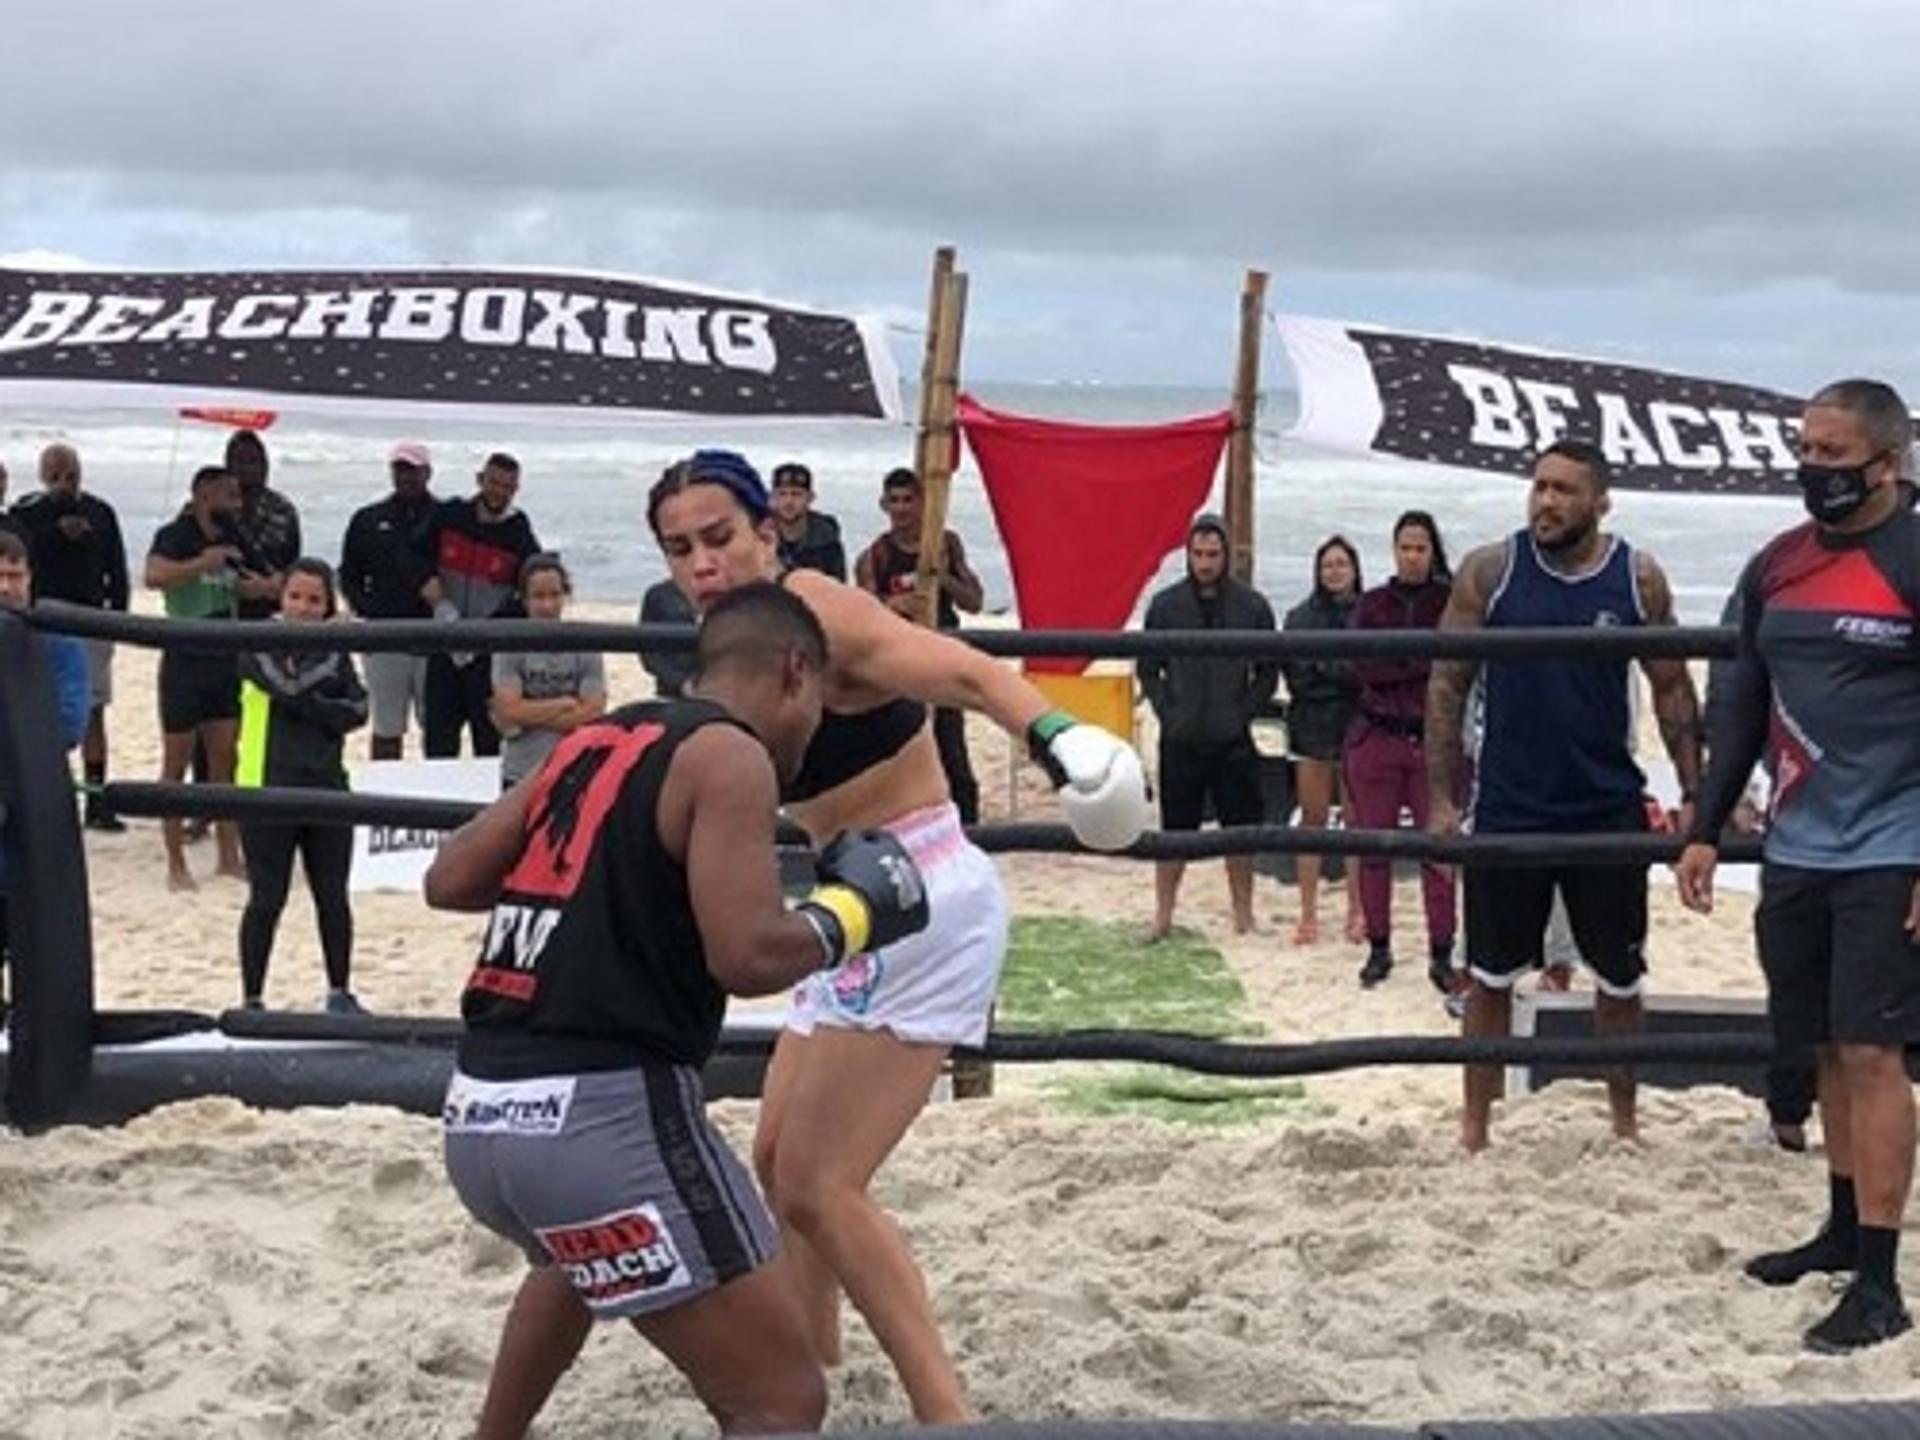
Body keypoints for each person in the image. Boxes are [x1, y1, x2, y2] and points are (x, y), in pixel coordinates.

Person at [649, 450, 1146, 1424]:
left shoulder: (821, 613)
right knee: (778, 1162)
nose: (703, 563)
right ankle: (822, 1363)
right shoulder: (724, 642)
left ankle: (944, 1413)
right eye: (680, 548)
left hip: (919, 892)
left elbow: (962, 668)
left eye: (718, 537)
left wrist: (1062, 742)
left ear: (767, 530)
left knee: (823, 1181)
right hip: (851, 905)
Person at [428, 581, 933, 1438]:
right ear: (795, 673)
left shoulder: (598, 738)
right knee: (782, 1399)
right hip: (601, 1119)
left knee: (576, 1262)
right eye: (823, 705)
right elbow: (745, 955)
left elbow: (451, 878)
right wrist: (854, 914)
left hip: (481, 1118)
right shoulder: (731, 756)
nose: (818, 731)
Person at [1678, 378, 1920, 1354]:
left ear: (1887, 461)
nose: (1811, 468)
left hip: (1894, 846)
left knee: (1873, 1053)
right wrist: (1702, 826)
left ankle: (1879, 1279)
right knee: (1818, 1043)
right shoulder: (1777, 564)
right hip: (1795, 846)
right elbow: (1739, 700)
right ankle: (1836, 1223)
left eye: (1831, 453)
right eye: (1804, 449)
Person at [1427, 439, 1702, 1153]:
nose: (1546, 501)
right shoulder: (1491, 571)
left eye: (1564, 490)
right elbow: (1447, 682)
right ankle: (1475, 1129)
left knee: (1619, 978)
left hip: (1605, 805)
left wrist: (1698, 793)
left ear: (1600, 501)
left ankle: (1623, 1121)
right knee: (1489, 977)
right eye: (1539, 486)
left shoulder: (1636, 576)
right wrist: (1440, 800)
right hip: (1510, 805)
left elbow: (1672, 686)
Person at [235, 559, 369, 1013]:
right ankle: (252, 997)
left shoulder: (337, 650)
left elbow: (358, 710)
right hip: (265, 783)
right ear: (280, 598)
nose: (304, 608)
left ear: (328, 604)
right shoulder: (256, 642)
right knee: (266, 897)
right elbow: (284, 686)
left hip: (327, 783)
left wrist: (322, 701)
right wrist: (324, 698)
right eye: (295, 597)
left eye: (315, 600)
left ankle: (339, 990)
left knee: (332, 894)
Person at [1138, 513, 1278, 939]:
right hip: (1181, 738)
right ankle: (1163, 916)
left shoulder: (1252, 606)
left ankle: (1243, 913)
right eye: (1197, 554)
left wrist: (1242, 713)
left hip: (1231, 738)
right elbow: (1148, 669)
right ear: (1187, 554)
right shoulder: (1165, 606)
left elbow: (1269, 671)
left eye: (1213, 554)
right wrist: (1169, 711)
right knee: (1174, 833)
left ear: (1226, 555)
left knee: (1238, 833)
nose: (1204, 563)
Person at [145, 465, 273, 890]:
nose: (236, 504)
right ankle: (176, 865)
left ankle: (228, 857)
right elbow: (153, 576)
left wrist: (274, 587)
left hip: (224, 655)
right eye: (228, 496)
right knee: (176, 764)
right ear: (204, 496)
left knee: (226, 758)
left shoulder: (232, 536)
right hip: (184, 656)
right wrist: (202, 562)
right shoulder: (175, 534)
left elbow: (242, 586)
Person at [1345, 510, 1456, 988]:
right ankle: (1379, 946)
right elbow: (1360, 665)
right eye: (1405, 548)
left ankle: (1441, 951)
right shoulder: (1372, 604)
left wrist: (1407, 662)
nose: (1412, 556)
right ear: (1394, 551)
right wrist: (1417, 664)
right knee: (1375, 847)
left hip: (1432, 741)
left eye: (1420, 548)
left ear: (1432, 552)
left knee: (1439, 849)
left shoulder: (1450, 603)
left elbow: (1454, 668)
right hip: (1379, 733)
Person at [855, 466, 985, 824]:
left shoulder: (944, 544)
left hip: (942, 659)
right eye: (894, 501)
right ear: (883, 504)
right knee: (899, 753)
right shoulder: (875, 556)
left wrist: (942, 577)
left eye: (908, 500)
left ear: (923, 503)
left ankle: (970, 832)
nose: (901, 509)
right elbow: (860, 616)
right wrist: (891, 606)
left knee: (953, 754)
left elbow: (974, 601)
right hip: (898, 664)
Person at [11, 443, 130, 831]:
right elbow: (19, 557)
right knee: (38, 708)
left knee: (93, 710)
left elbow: (117, 565)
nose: (64, 482)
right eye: (56, 475)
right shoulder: (27, 513)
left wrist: (120, 616)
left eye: (71, 474)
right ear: (43, 477)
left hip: (92, 619)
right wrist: (56, 533)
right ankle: (43, 795)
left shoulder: (100, 511)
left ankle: (96, 802)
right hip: (42, 619)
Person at [0, 529, 90, 1021]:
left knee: (36, 931)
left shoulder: (57, 641)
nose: (7, 587)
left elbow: (70, 722)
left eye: (15, 575)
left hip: (38, 799)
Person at [419, 452, 542, 759]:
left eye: (507, 486)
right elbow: (411, 555)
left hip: (486, 653)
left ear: (516, 490)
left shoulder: (518, 530)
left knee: (487, 740)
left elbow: (532, 584)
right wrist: (434, 595)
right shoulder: (450, 514)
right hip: (443, 642)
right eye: (494, 482)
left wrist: (496, 625)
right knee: (438, 737)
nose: (499, 491)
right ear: (480, 480)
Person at [1282, 534, 1364, 946]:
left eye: (1341, 564)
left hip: (1356, 727)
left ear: (1354, 569)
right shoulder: (1299, 616)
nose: (1334, 571)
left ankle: (1356, 911)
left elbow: (1368, 674)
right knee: (1311, 822)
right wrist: (1340, 672)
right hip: (1311, 727)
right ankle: (1308, 914)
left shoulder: (1370, 613)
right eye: (1327, 564)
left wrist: (1329, 670)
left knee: (1355, 824)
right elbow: (1297, 677)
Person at [339, 442, 438, 760]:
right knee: (385, 728)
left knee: (436, 727)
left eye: (413, 470)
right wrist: (367, 611)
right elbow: (348, 573)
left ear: (428, 472)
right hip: (385, 639)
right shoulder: (368, 519)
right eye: (400, 469)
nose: (406, 476)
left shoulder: (446, 517)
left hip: (435, 640)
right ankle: (383, 799)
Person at [491, 554, 606, 791]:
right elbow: (509, 710)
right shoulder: (510, 644)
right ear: (524, 600)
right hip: (521, 771)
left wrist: (529, 711)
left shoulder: (585, 644)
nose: (548, 606)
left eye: (554, 595)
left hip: (573, 768)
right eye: (539, 597)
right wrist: (564, 704)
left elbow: (593, 712)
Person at [225, 429, 299, 620]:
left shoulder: (283, 509)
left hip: (272, 609)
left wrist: (270, 585)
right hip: (223, 609)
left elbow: (293, 564)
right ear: (227, 466)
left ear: (265, 466)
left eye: (254, 462)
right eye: (240, 461)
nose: (248, 469)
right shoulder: (212, 508)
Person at [772, 462, 847, 580]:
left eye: (796, 494)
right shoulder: (760, 534)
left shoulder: (826, 538)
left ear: (810, 498)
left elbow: (838, 585)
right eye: (782, 494)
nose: (788, 501)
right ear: (773, 497)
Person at [639, 575, 699, 699]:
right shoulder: (659, 595)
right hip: (670, 692)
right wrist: (680, 682)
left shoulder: (728, 593)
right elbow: (648, 653)